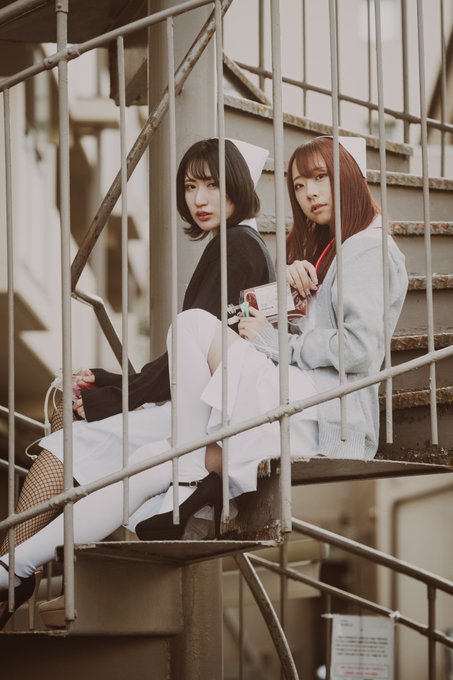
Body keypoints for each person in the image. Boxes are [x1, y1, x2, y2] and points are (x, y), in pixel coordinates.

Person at [0, 135, 408, 627]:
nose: (309, 194)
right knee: (151, 461)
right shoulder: (332, 250)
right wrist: (286, 299)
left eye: (320, 178)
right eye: (299, 185)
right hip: (306, 398)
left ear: (348, 178)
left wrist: (272, 340)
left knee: (193, 327)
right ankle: (13, 567)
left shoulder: (366, 248)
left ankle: (188, 472)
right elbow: (309, 333)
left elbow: (358, 350)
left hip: (324, 411)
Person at [0, 137, 275, 626]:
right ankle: (27, 570)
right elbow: (184, 359)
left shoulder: (235, 247)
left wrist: (112, 397)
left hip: (204, 416)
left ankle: (17, 568)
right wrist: (111, 383)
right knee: (71, 432)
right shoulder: (240, 244)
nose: (199, 199)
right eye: (190, 187)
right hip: (205, 406)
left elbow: (188, 361)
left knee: (67, 442)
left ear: (237, 184)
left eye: (212, 185)